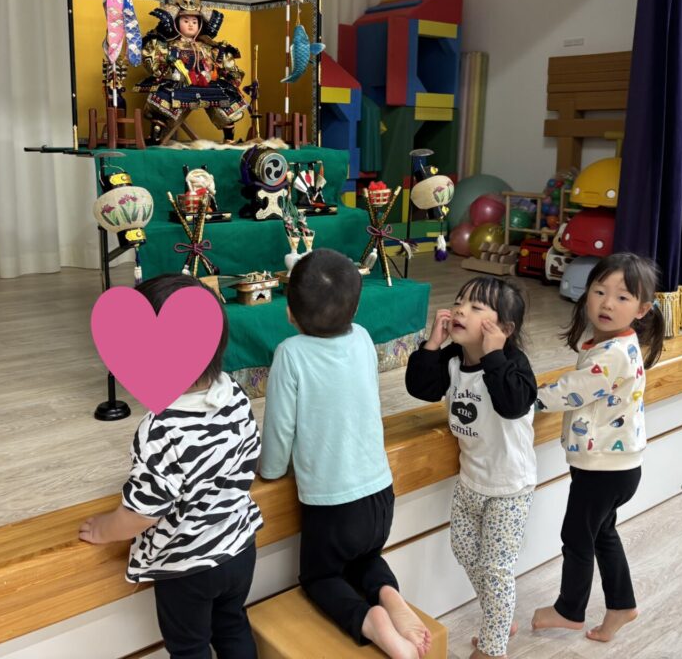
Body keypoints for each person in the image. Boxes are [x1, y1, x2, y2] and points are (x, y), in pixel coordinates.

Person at [79, 274, 262, 659]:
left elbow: (141, 513)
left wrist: (104, 529)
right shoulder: (234, 393)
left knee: (189, 648)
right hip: (240, 546)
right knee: (232, 625)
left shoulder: (161, 429)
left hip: (188, 565)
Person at [260, 249, 431, 659]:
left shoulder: (290, 353)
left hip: (333, 506)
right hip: (380, 493)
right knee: (365, 557)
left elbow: (280, 427)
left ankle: (369, 621)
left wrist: (271, 470)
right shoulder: (363, 338)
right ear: (355, 309)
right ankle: (390, 595)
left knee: (319, 576)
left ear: (289, 311)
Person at [531, 252, 665, 643]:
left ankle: (569, 610)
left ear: (642, 309)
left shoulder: (613, 355)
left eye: (622, 297)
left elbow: (573, 390)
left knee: (576, 536)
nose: (607, 303)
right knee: (601, 532)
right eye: (600, 291)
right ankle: (622, 605)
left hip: (604, 468)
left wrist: (527, 397)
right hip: (617, 466)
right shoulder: (614, 343)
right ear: (586, 293)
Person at [405, 275, 538, 659]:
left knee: (496, 569)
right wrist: (432, 344)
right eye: (460, 301)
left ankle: (493, 648)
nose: (461, 310)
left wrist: (494, 356)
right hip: (471, 481)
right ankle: (501, 613)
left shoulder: (513, 365)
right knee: (464, 550)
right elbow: (420, 387)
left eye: (476, 307)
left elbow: (512, 404)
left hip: (510, 488)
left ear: (504, 329)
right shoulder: (452, 360)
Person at [136, 0, 247, 143]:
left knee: (226, 96)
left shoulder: (209, 47)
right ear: (176, 23)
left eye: (194, 22)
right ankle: (156, 135)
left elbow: (224, 65)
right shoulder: (168, 45)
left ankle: (229, 138)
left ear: (200, 24)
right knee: (162, 96)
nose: (190, 25)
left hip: (206, 85)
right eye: (186, 21)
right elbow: (155, 65)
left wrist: (228, 74)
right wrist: (167, 66)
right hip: (178, 84)